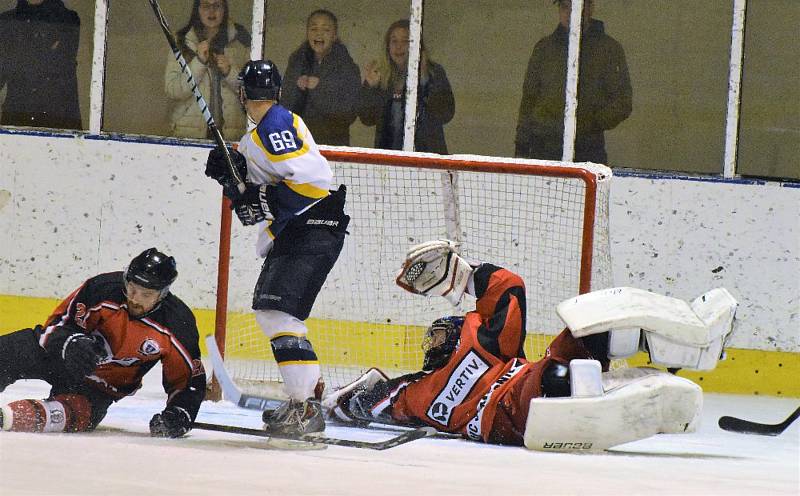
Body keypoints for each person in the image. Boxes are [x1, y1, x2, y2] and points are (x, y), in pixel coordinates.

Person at [324, 240, 737, 449]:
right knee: (567, 362)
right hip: (514, 404)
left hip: (520, 400)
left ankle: (692, 342)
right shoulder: (441, 373)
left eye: (438, 333)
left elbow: (510, 287)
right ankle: (614, 389)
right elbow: (510, 286)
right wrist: (461, 277)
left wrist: (466, 277)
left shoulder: (453, 366)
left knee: (595, 325)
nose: (435, 342)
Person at [204, 60, 350, 437]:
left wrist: (261, 198)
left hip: (313, 224)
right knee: (274, 314)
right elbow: (254, 208)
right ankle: (303, 401)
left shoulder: (275, 124)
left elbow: (313, 182)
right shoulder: (258, 136)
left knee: (277, 314)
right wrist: (233, 181)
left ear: (242, 94)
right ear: (278, 90)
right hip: (303, 228)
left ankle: (305, 408)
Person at [0, 248, 206, 438]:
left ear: (162, 294)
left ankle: (6, 417)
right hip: (61, 359)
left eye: (146, 295)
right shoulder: (102, 288)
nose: (135, 299)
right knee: (7, 352)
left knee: (74, 414)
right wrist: (70, 343)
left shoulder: (177, 324)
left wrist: (179, 414)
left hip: (99, 388)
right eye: (132, 288)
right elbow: (55, 327)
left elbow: (186, 381)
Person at [514, 0, 632, 164]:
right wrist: (522, 146)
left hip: (587, 151)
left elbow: (623, 102)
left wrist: (589, 124)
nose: (570, 13)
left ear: (590, 8)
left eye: (577, 6)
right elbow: (528, 100)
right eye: (564, 6)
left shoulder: (608, 50)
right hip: (542, 150)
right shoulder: (544, 48)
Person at [359, 19, 455, 154]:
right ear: (387, 46)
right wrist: (370, 87)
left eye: (406, 41)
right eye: (394, 41)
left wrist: (424, 79)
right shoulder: (381, 74)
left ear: (418, 46)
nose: (399, 47)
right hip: (389, 158)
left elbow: (446, 114)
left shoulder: (433, 71)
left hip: (427, 158)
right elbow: (366, 119)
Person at [165, 0, 250, 139]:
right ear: (197, 9)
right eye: (205, 6)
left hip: (232, 136)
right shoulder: (180, 41)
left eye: (217, 5)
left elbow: (252, 92)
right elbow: (172, 89)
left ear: (225, 9)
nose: (211, 11)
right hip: (189, 135)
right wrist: (198, 63)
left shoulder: (241, 41)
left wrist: (230, 72)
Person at [280, 9, 360, 146]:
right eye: (313, 28)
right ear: (307, 33)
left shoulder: (347, 67)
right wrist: (297, 87)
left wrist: (320, 88)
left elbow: (349, 113)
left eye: (326, 30)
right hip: (299, 145)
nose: (319, 33)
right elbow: (285, 107)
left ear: (334, 36)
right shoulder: (296, 62)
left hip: (333, 145)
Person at [0, 0, 81, 130]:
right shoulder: (7, 21)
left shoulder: (67, 19)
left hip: (58, 118)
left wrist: (19, 56)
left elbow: (55, 64)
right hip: (17, 118)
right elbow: (4, 69)